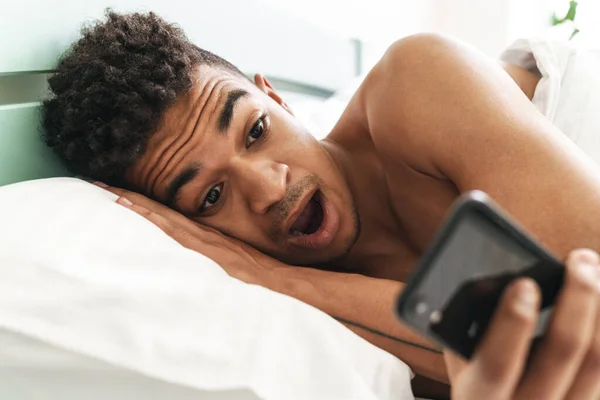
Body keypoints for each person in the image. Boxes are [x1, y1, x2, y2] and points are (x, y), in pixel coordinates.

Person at [42, 11, 600, 398]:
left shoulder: (415, 84)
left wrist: (277, 278)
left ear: (277, 97)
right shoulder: (304, 332)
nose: (268, 188)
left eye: (256, 129)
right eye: (211, 197)